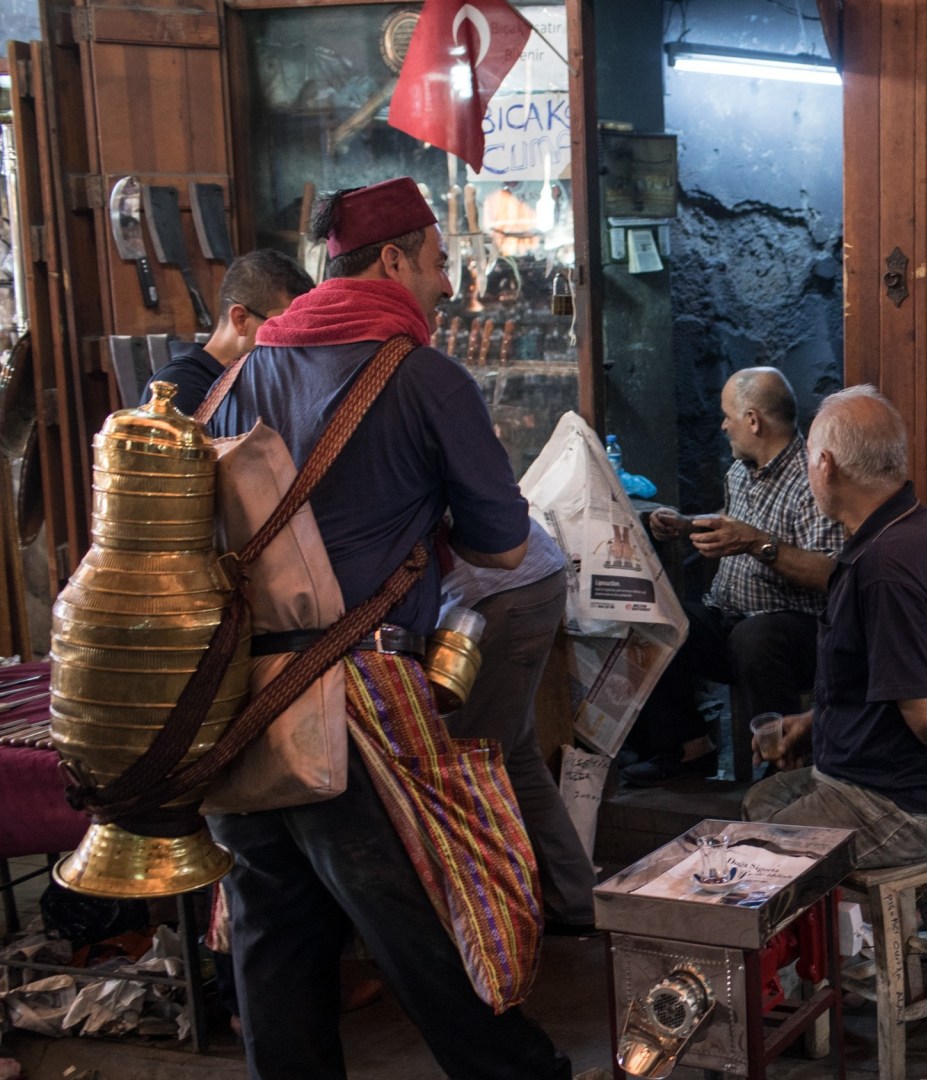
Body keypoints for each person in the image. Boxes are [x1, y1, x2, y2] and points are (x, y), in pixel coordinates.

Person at [201, 177, 568, 1080]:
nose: (446, 283)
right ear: (395, 259)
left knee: (276, 940)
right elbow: (503, 543)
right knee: (430, 918)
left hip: (239, 701)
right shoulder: (426, 378)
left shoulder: (241, 377)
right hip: (354, 698)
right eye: (437, 262)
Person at [744, 386, 927, 868]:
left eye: (808, 459)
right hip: (868, 775)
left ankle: (832, 920)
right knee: (759, 803)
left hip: (903, 805)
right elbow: (883, 684)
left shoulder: (886, 566)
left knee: (759, 857)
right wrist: (815, 724)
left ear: (825, 465)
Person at [623, 366, 845, 784]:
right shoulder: (741, 470)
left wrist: (757, 544)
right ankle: (690, 749)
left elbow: (831, 575)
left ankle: (782, 769)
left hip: (799, 637)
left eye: (728, 416)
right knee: (654, 615)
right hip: (729, 618)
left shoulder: (813, 479)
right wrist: (686, 525)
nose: (723, 426)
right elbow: (734, 520)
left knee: (755, 637)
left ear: (753, 420)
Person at [440, 518, 599, 930]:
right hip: (523, 580)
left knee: (467, 768)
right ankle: (575, 899)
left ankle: (490, 926)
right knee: (514, 756)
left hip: (499, 591)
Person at [146, 249, 314, 413]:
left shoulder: (251, 382)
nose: (292, 345)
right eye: (283, 329)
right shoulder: (179, 386)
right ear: (240, 319)